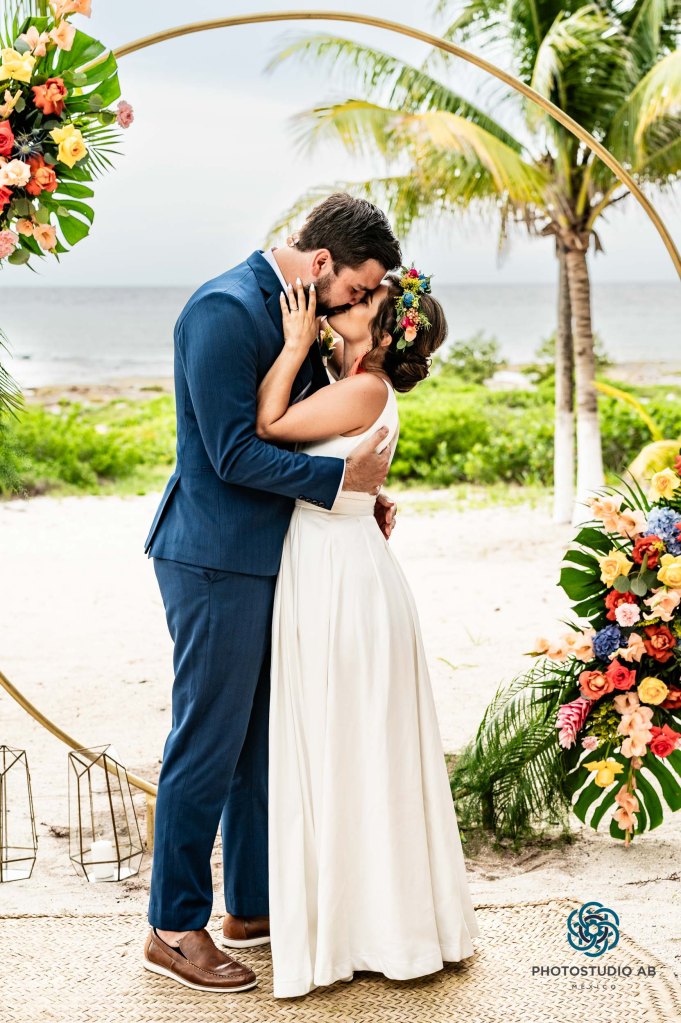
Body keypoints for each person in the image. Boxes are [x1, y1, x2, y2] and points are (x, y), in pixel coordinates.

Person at [142, 194, 402, 993]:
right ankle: (172, 926)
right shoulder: (223, 310)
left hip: (273, 553)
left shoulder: (297, 311)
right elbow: (228, 454)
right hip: (215, 557)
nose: (361, 303)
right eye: (357, 288)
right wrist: (337, 482)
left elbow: (306, 425)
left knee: (260, 741)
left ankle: (250, 906)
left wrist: (356, 496)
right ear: (321, 263)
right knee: (207, 740)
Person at [256, 268, 481, 998]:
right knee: (351, 746)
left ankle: (368, 930)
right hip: (339, 563)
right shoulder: (349, 381)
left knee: (349, 745)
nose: (351, 300)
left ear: (386, 332)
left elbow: (268, 428)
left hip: (340, 575)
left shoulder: (363, 388)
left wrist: (293, 345)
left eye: (368, 299)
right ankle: (368, 925)